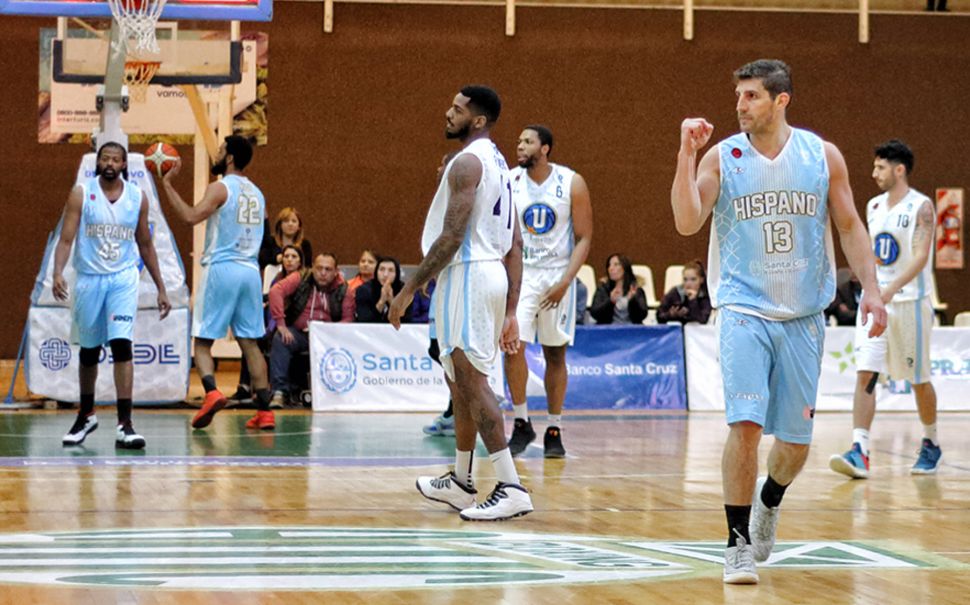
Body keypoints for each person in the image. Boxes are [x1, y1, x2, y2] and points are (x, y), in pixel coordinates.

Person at [670, 59, 887, 584]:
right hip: (742, 309)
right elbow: (687, 220)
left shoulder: (821, 155)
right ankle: (737, 543)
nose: (739, 105)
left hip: (804, 316)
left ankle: (770, 498)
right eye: (738, 95)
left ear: (781, 99)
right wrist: (686, 154)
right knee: (744, 425)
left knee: (793, 446)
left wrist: (873, 291)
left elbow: (850, 226)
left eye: (751, 96)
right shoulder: (723, 157)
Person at [388, 85, 533, 521]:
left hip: (469, 274)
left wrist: (408, 288)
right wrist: (510, 309)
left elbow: (451, 237)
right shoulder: (500, 167)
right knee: (459, 382)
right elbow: (515, 243)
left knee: (472, 382)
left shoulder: (468, 163)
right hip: (484, 275)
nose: (448, 113)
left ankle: (511, 486)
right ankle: (461, 480)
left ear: (478, 120)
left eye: (457, 109)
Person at [829, 140, 941, 479]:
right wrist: (873, 289)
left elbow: (920, 257)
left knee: (918, 379)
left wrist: (891, 289)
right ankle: (859, 449)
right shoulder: (874, 206)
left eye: (880, 167)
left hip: (909, 303)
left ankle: (931, 441)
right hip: (876, 302)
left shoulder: (921, 207)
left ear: (899, 170)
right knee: (866, 372)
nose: (874, 173)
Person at [56, 142, 172, 448]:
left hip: (122, 279)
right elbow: (66, 239)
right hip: (89, 279)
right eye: (105, 158)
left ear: (123, 165)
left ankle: (125, 424)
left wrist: (161, 287)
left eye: (116, 159)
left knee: (122, 345)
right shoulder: (82, 193)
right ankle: (86, 414)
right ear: (98, 163)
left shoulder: (137, 197)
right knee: (89, 352)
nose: (110, 163)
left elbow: (145, 244)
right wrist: (57, 272)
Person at [162, 135, 277, 431]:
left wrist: (168, 185)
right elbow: (266, 237)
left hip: (222, 268)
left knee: (201, 340)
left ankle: (211, 392)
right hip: (250, 272)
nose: (218, 153)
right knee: (250, 343)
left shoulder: (220, 187)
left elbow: (190, 217)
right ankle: (265, 412)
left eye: (222, 150)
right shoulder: (258, 192)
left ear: (230, 158)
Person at [504, 124, 593, 459]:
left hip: (558, 275)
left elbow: (584, 237)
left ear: (545, 149)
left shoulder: (571, 182)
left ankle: (554, 428)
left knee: (556, 354)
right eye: (519, 141)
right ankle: (521, 422)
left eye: (527, 141)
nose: (520, 146)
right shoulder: (510, 181)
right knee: (513, 345)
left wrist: (566, 282)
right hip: (523, 275)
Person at [268, 252, 354, 407]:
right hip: (300, 334)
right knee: (280, 339)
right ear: (312, 268)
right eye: (319, 268)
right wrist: (281, 324)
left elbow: (348, 319)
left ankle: (339, 394)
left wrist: (327, 332)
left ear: (336, 271)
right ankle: (279, 392)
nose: (323, 273)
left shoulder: (344, 289)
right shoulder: (300, 278)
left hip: (328, 339)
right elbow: (275, 291)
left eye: (328, 269)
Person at [232, 244, 306, 406]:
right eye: (286, 256)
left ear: (301, 261)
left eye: (294, 257)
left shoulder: (303, 280)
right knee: (250, 340)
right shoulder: (277, 278)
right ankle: (247, 386)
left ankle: (274, 390)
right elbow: (269, 296)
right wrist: (263, 301)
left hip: (290, 324)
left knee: (276, 339)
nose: (289, 260)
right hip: (272, 323)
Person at [589, 254, 648, 325]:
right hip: (609, 329)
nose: (611, 268)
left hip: (631, 329)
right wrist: (611, 302)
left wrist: (632, 300)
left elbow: (642, 315)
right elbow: (595, 313)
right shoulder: (603, 289)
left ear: (625, 268)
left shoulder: (636, 289)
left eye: (616, 265)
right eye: (609, 265)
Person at [355, 256, 410, 323]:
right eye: (382, 269)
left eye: (391, 270)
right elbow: (364, 320)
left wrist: (392, 301)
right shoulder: (363, 290)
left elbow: (406, 321)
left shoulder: (404, 290)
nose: (385, 274)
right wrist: (381, 301)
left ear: (397, 273)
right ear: (376, 272)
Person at [657, 260, 712, 325]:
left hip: (696, 330)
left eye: (693, 279)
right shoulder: (675, 292)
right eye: (685, 279)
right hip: (676, 329)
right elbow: (659, 316)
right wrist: (670, 315)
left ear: (701, 280)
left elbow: (702, 320)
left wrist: (693, 301)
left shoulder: (704, 295)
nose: (688, 284)